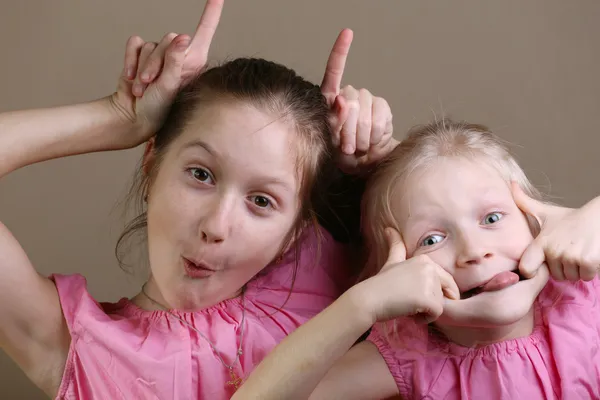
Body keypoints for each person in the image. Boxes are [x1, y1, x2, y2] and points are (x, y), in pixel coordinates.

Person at [0, 1, 398, 398]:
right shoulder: (75, 345)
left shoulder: (326, 287)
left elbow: (454, 269)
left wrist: (380, 162)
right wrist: (119, 117)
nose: (215, 226)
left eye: (261, 201)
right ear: (152, 164)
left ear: (295, 233)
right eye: (201, 174)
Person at [233, 118, 600, 399]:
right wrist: (364, 304)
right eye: (432, 239)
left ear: (534, 221)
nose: (474, 251)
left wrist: (594, 216)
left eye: (492, 218)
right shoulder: (412, 355)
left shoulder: (583, 298)